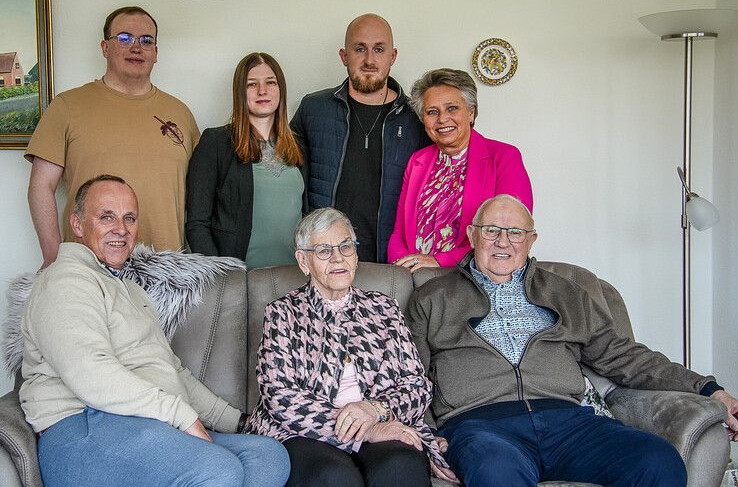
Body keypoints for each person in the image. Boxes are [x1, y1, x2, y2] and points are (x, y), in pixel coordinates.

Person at [406, 194, 738, 486]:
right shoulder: (434, 297)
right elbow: (411, 376)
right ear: (472, 235)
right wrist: (429, 437)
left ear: (532, 239)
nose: (502, 241)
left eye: (515, 232)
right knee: (496, 470)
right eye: (491, 230)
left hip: (568, 424)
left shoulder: (565, 292)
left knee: (657, 460)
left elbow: (623, 356)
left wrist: (707, 388)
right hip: (481, 426)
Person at [19, 175, 290, 486]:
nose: (120, 228)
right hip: (81, 428)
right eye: (106, 217)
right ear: (78, 225)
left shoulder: (132, 291)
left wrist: (241, 423)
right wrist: (181, 415)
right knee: (217, 469)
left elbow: (172, 371)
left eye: (129, 218)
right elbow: (91, 375)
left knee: (267, 455)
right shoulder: (65, 281)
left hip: (142, 426)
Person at [246, 207, 454, 486]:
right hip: (305, 433)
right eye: (323, 250)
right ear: (303, 261)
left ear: (356, 256)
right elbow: (280, 398)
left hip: (382, 422)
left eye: (346, 246)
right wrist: (365, 429)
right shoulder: (283, 313)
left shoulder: (384, 308)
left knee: (400, 467)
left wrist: (375, 410)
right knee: (333, 477)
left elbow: (416, 385)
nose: (337, 258)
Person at [25, 6, 199, 269]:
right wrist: (52, 258)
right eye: (125, 38)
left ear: (156, 53)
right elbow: (41, 186)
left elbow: (202, 194)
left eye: (146, 41)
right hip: (89, 269)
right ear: (105, 47)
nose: (136, 47)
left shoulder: (181, 113)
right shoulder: (67, 106)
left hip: (167, 275)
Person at [290, 14, 429, 263]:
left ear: (392, 56)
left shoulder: (416, 118)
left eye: (378, 49)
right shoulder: (313, 109)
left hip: (391, 260)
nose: (369, 60)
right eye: (359, 49)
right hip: (324, 256)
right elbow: (289, 181)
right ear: (344, 56)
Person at [388, 68, 533, 272]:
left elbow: (510, 235)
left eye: (452, 108)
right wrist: (403, 267)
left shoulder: (504, 157)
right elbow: (398, 233)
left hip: (471, 277)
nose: (442, 119)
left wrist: (440, 262)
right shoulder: (417, 161)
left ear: (471, 112)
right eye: (432, 112)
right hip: (415, 276)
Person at [186, 52, 303, 268]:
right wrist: (223, 276)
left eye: (270, 82)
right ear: (240, 92)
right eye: (251, 84)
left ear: (281, 90)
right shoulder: (216, 143)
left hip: (294, 276)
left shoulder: (298, 146)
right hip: (240, 279)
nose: (262, 91)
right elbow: (197, 223)